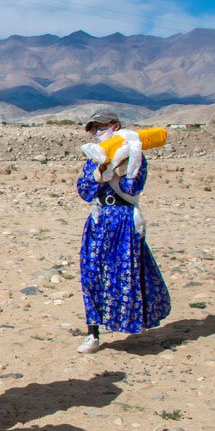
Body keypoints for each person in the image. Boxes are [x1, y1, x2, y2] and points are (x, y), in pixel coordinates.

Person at [75, 108, 171, 353]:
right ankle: (92, 332)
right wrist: (99, 174)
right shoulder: (94, 158)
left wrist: (121, 167)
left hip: (123, 219)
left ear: (115, 126)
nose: (97, 133)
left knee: (125, 272)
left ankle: (131, 319)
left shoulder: (132, 155)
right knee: (91, 275)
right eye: (93, 129)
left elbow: (132, 188)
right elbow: (85, 191)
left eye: (100, 127)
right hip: (98, 221)